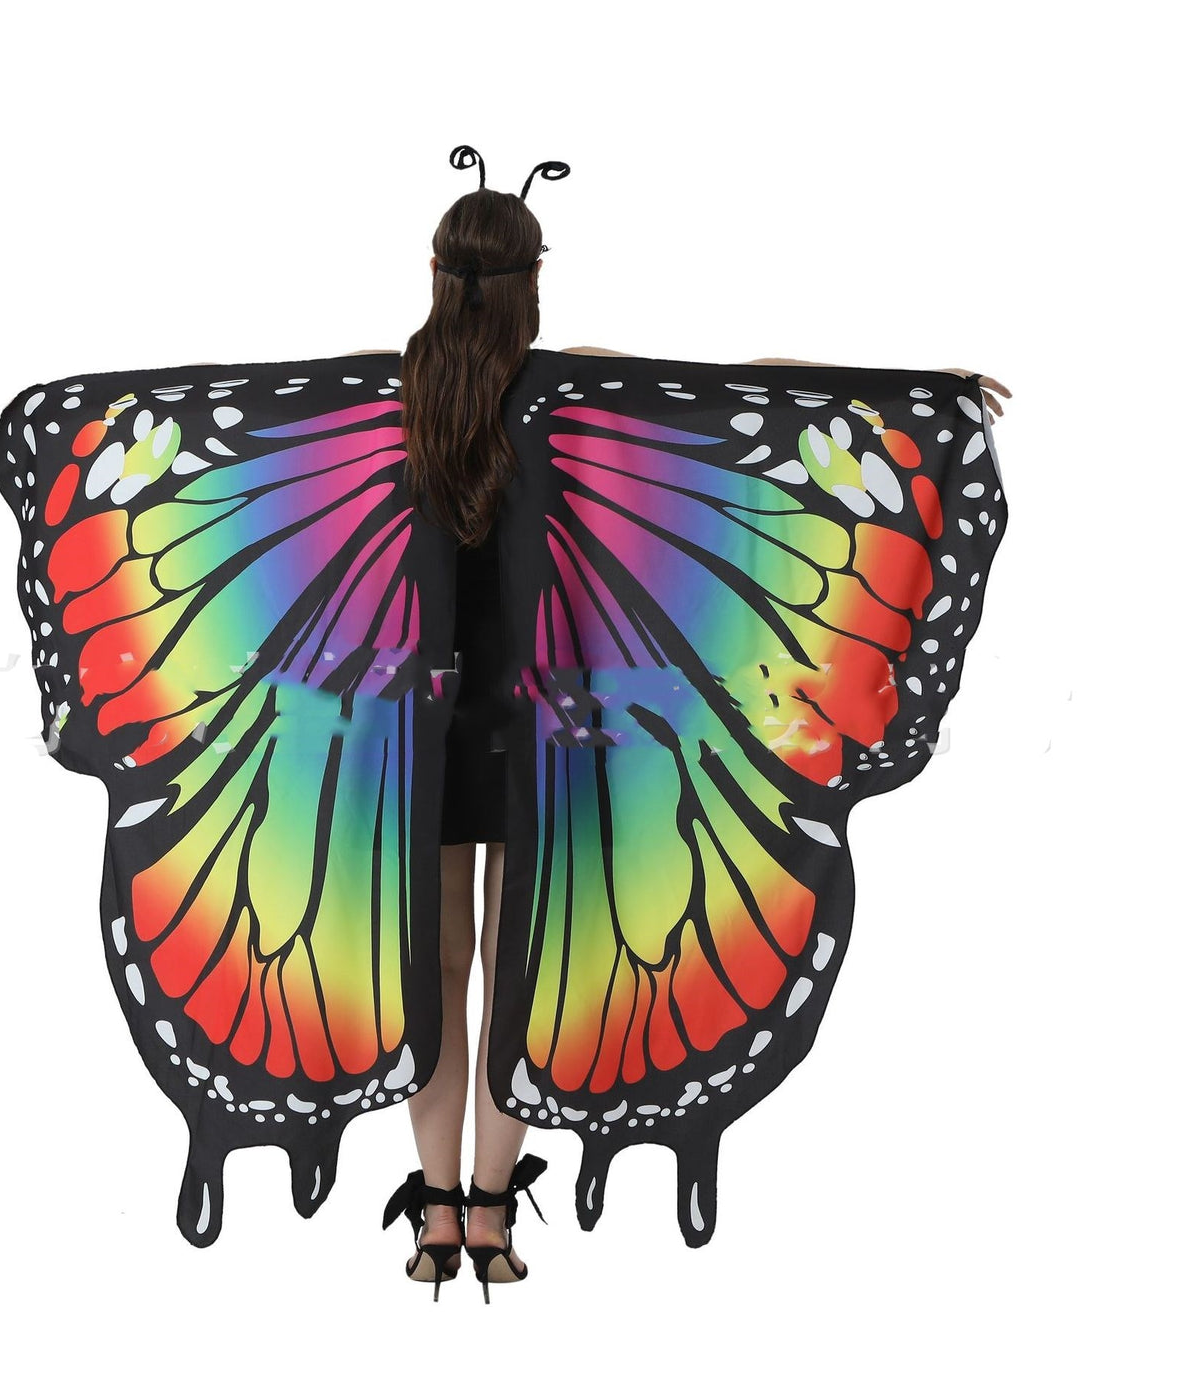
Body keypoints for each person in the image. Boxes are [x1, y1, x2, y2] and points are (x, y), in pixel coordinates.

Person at [352, 152, 1010, 1298]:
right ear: (533, 276)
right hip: (557, 727)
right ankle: (494, 1216)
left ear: (433, 271)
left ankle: (436, 1218)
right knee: (521, 963)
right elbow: (734, 387)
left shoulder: (380, 393)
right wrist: (918, 390)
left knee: (435, 966)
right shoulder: (566, 386)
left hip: (418, 728)